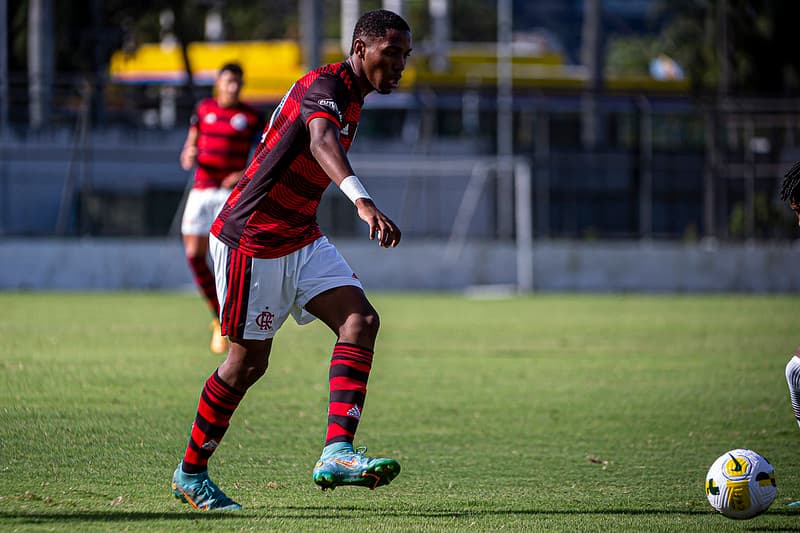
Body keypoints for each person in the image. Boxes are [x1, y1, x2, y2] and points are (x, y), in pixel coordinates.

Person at [170, 9, 412, 511]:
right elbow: (321, 140)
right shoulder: (324, 84)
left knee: (361, 320)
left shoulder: (355, 97)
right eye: (392, 53)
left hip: (299, 236)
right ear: (361, 47)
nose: (400, 65)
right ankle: (191, 473)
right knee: (247, 364)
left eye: (405, 56)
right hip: (252, 238)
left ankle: (337, 452)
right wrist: (362, 201)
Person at [178, 62, 263, 354]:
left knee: (225, 262)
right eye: (229, 82)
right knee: (194, 256)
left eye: (238, 83)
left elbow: (264, 154)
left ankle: (232, 322)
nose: (233, 87)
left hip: (230, 197)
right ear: (218, 83)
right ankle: (218, 315)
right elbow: (190, 145)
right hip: (201, 191)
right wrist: (188, 152)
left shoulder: (251, 116)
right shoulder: (203, 110)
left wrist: (242, 175)